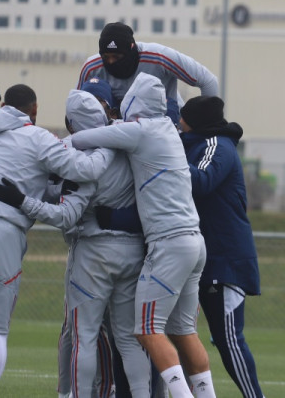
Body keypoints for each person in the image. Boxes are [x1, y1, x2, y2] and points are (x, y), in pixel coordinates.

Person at [0, 84, 116, 398]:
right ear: (34, 110)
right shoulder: (38, 138)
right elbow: (86, 169)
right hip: (2, 228)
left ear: (3, 105)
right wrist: (112, 141)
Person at [0, 88, 152, 398]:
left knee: (83, 336)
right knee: (129, 340)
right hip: (133, 251)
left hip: (93, 253)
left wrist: (21, 200)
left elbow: (65, 216)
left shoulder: (81, 158)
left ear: (70, 123)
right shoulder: (130, 143)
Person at [70, 73, 216, 398]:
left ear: (135, 102)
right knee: (184, 331)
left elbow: (83, 138)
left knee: (147, 330)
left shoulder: (139, 130)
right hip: (195, 241)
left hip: (169, 243)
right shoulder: (169, 130)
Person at [179, 96, 265, 398]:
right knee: (180, 333)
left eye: (184, 117)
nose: (179, 122)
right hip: (200, 258)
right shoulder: (194, 143)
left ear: (196, 121)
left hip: (224, 259)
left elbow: (202, 180)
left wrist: (167, 155)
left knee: (228, 339)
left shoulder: (218, 145)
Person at [76, 22, 219, 123]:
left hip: (167, 128)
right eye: (106, 57)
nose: (111, 62)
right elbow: (77, 106)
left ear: (132, 48)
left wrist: (205, 128)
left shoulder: (159, 56)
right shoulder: (92, 67)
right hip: (119, 134)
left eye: (117, 57)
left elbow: (208, 81)